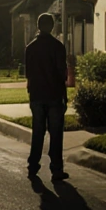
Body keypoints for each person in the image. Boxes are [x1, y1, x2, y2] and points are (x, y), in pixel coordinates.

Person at [25, 12, 69, 180]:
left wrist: (31, 95)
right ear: (51, 26)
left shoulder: (30, 48)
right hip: (54, 94)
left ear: (38, 26)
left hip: (37, 95)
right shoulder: (58, 47)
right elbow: (61, 74)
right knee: (56, 133)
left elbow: (28, 75)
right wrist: (64, 96)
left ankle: (33, 165)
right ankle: (56, 168)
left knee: (38, 132)